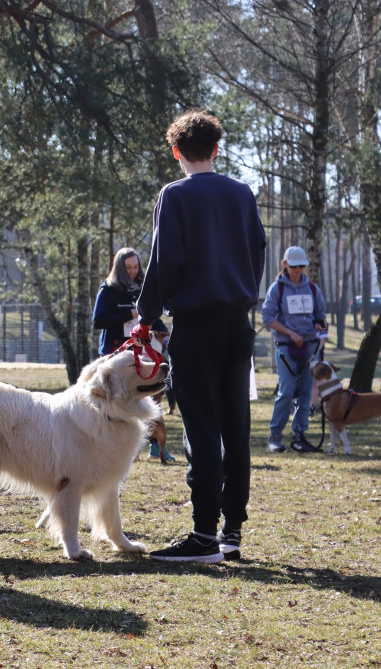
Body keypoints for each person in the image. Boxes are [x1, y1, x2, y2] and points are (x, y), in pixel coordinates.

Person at [135, 110, 266, 563]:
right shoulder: (242, 193)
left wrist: (147, 314)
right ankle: (231, 532)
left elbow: (164, 260)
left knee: (202, 429)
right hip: (237, 322)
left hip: (195, 324)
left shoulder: (175, 195)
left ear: (176, 152)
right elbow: (257, 249)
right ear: (216, 148)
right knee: (237, 426)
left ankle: (203, 535)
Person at [92, 247, 173, 461]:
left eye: (136, 266)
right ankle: (107, 446)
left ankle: (155, 445)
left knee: (152, 396)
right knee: (113, 403)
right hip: (116, 353)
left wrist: (162, 329)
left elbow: (151, 317)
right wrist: (129, 313)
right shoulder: (108, 290)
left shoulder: (142, 288)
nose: (133, 271)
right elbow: (99, 320)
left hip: (141, 353)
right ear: (119, 267)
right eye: (128, 267)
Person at [261, 246, 327, 453]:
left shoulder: (313, 290)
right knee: (287, 391)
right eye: (293, 266)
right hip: (286, 348)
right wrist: (291, 334)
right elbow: (267, 318)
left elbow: (320, 316)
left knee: (306, 393)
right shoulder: (277, 289)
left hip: (308, 348)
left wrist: (319, 325)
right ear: (285, 265)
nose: (298, 270)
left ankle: (299, 436)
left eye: (301, 266)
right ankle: (275, 436)